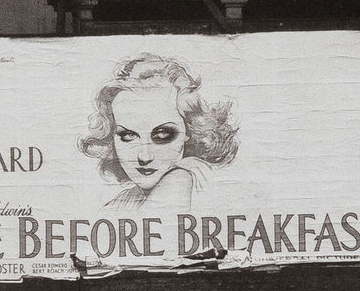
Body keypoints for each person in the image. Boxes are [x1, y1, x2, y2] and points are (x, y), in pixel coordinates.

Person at [79, 54, 240, 216]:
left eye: (162, 135)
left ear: (189, 131)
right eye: (128, 136)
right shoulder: (123, 202)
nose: (144, 156)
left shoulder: (182, 178)